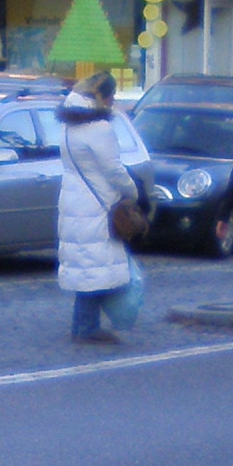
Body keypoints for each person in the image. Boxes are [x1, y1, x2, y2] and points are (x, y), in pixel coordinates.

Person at [58, 69, 140, 346]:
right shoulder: (100, 129)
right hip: (97, 205)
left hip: (74, 201)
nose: (113, 102)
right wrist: (132, 191)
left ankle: (83, 323)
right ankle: (86, 326)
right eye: (112, 96)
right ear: (103, 97)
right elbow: (114, 169)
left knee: (86, 264)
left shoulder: (68, 125)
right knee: (94, 267)